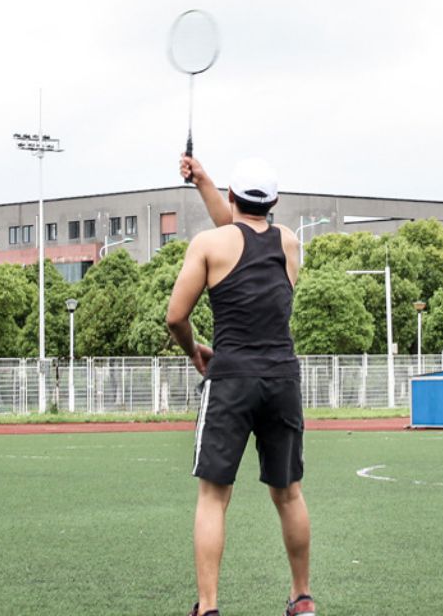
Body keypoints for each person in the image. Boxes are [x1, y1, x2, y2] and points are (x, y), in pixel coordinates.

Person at [167, 154, 315, 616]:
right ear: (274, 202)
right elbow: (242, 234)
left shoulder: (208, 244)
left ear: (232, 198)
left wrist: (195, 351)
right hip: (282, 379)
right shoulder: (289, 243)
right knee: (288, 491)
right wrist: (204, 181)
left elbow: (176, 316)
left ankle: (208, 608)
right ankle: (302, 598)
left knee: (214, 495)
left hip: (230, 378)